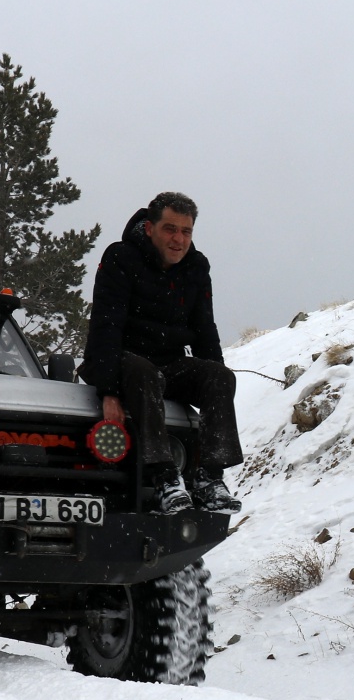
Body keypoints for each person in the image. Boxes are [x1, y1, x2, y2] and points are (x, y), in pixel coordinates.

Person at [80, 192, 243, 514]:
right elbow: (106, 324)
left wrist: (214, 385)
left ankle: (209, 478)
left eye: (186, 231)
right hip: (125, 360)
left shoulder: (196, 267)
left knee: (220, 376)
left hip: (170, 364)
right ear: (151, 228)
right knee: (144, 372)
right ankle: (165, 478)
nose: (178, 239)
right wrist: (108, 390)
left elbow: (204, 330)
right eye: (170, 229)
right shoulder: (120, 257)